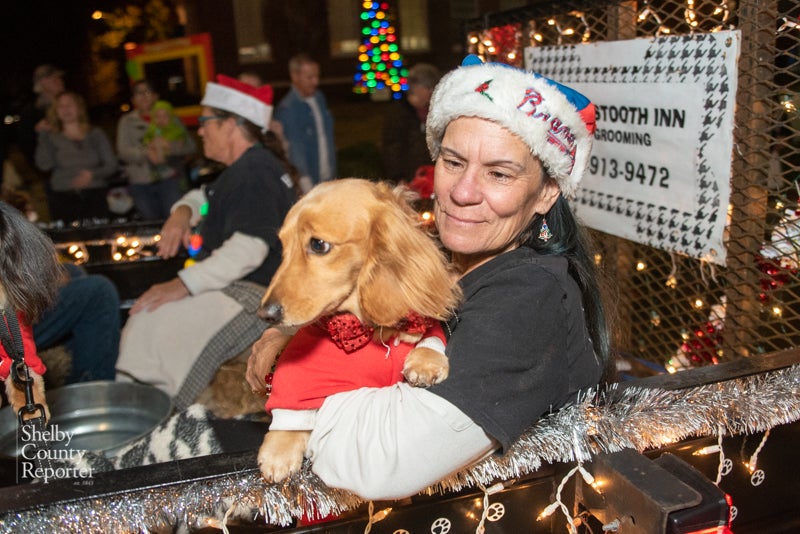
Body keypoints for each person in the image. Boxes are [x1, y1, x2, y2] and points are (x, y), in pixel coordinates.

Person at [247, 55, 613, 500]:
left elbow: (379, 462)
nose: (461, 192)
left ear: (547, 192)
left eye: (498, 173)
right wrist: (293, 335)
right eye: (453, 162)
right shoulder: (440, 259)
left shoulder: (529, 296)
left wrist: (298, 382)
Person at [116, 74, 298, 411]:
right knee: (148, 320)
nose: (199, 131)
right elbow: (206, 197)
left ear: (230, 125)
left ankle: (148, 423)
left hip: (254, 295)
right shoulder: (249, 168)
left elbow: (248, 250)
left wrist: (182, 285)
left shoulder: (253, 171)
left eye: (204, 122)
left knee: (147, 325)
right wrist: (185, 210)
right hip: (245, 288)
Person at [34, 91, 118, 222]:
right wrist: (43, 135)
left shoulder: (95, 134)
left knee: (99, 238)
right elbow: (44, 165)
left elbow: (111, 164)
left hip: (95, 194)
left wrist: (93, 174)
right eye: (61, 106)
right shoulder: (52, 137)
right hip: (63, 197)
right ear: (55, 111)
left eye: (70, 104)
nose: (66, 109)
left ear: (79, 108)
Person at [117, 80, 193, 221]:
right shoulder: (127, 121)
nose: (143, 96)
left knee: (174, 220)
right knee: (150, 224)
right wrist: (147, 151)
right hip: (141, 181)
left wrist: (167, 146)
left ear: (156, 96)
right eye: (138, 93)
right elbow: (123, 152)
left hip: (169, 177)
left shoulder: (170, 117)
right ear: (133, 99)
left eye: (147, 92)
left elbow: (189, 146)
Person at [273, 53, 336, 193]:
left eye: (317, 76)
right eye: (310, 77)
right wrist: (305, 183)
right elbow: (295, 150)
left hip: (327, 176)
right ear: (295, 76)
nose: (316, 82)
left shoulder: (319, 98)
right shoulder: (288, 109)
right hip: (309, 182)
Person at [381, 63, 442, 183]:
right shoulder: (398, 113)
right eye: (428, 88)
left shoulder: (438, 111)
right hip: (409, 180)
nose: (431, 92)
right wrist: (398, 178)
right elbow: (392, 149)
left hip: (433, 177)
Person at [137, 99, 197, 216]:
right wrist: (151, 148)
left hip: (175, 178)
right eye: (157, 116)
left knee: (175, 211)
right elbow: (145, 147)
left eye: (165, 116)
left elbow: (190, 147)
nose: (161, 119)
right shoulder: (152, 131)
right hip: (155, 177)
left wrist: (169, 146)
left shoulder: (177, 130)